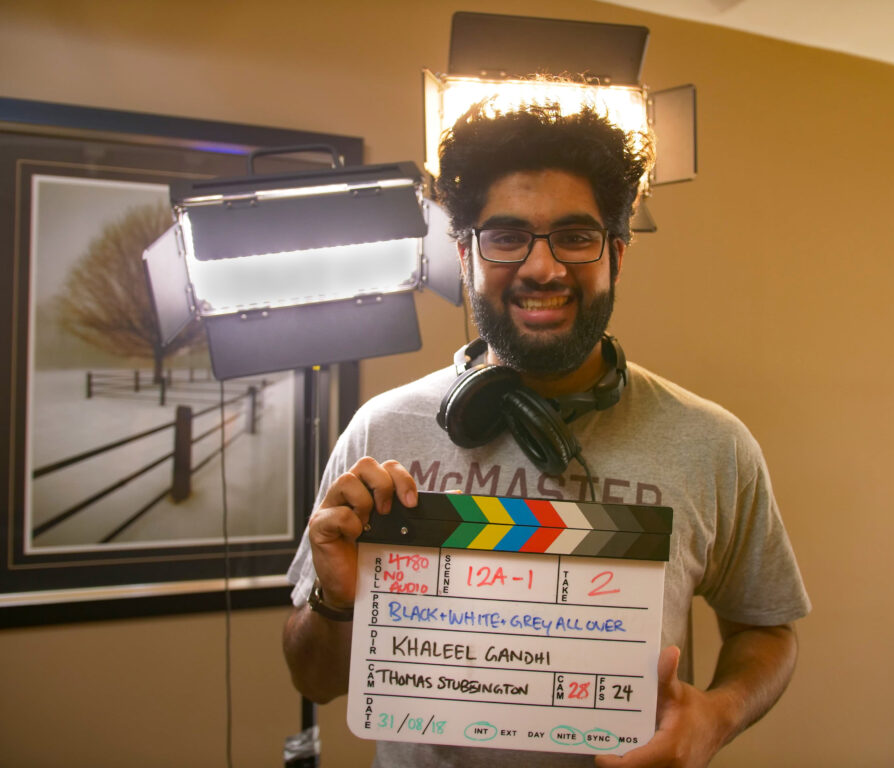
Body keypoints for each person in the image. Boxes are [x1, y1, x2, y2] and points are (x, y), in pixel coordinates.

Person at [283, 101, 811, 768]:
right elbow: (314, 680)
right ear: (465, 254)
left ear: (616, 254)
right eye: (506, 237)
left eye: (576, 236)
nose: (543, 269)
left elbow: (766, 628)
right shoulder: (381, 433)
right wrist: (334, 599)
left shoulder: (713, 443)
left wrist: (717, 716)